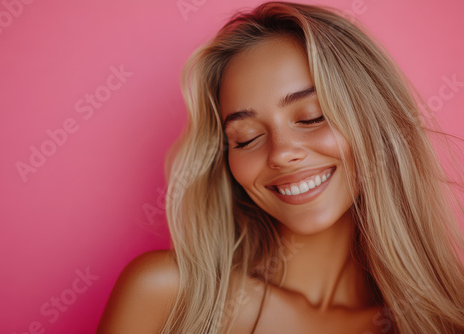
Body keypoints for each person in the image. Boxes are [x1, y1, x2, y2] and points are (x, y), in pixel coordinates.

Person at [97, 2, 464, 333]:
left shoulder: (444, 318)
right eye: (246, 138)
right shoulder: (166, 294)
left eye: (311, 117)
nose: (281, 154)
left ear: (376, 121)